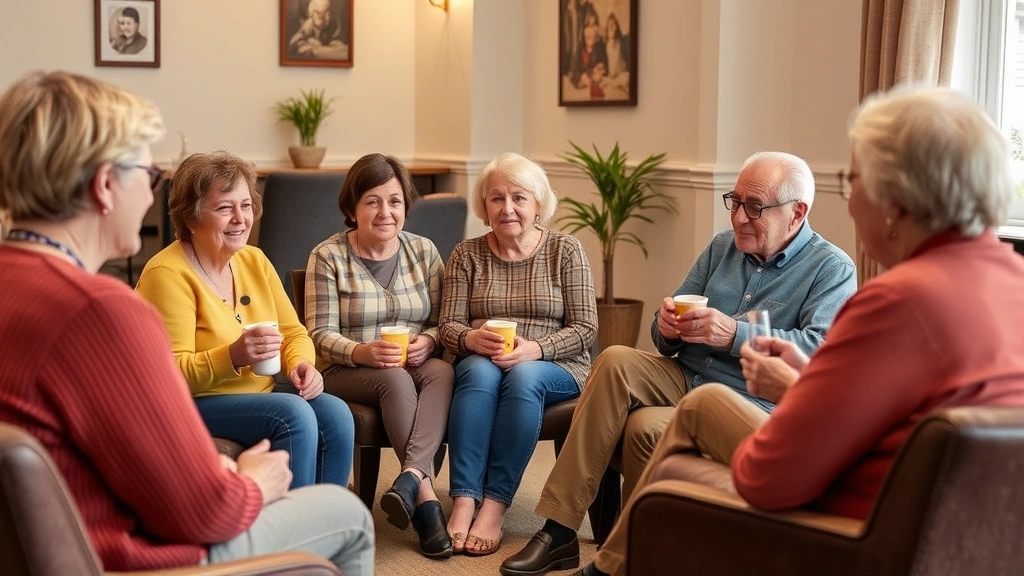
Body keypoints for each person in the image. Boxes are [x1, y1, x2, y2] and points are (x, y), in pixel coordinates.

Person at [566, 85, 1024, 576]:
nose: (850, 202)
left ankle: (613, 566)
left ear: (895, 198)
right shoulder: (1011, 283)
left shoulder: (897, 301)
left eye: (853, 181)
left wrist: (785, 386)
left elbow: (772, 477)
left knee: (691, 432)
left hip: (850, 535)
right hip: (958, 540)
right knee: (676, 397)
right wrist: (806, 383)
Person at [0, 70, 373, 574]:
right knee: (348, 515)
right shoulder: (101, 310)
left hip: (65, 539)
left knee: (327, 419)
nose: (149, 193)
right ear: (105, 185)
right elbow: (204, 511)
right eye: (148, 174)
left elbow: (123, 441)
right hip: (134, 553)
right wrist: (250, 482)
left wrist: (208, 466)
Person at [501, 150, 857, 576]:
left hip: (745, 401)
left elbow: (817, 351)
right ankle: (560, 529)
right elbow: (662, 330)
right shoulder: (722, 247)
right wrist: (667, 326)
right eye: (735, 201)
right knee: (614, 359)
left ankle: (638, 555)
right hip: (685, 374)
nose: (738, 217)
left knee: (643, 427)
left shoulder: (831, 268)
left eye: (754, 207)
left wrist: (734, 334)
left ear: (797, 212)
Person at [135, 151, 355, 490]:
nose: (240, 219)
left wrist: (301, 364)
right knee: (293, 414)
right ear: (191, 217)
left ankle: (327, 519)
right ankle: (291, 521)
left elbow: (293, 332)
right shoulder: (167, 274)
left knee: (335, 414)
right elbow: (168, 374)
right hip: (189, 403)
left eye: (246, 205)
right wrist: (233, 357)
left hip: (259, 395)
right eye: (225, 208)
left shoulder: (254, 260)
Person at [439, 152, 598, 557]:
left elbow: (586, 328)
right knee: (478, 373)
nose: (507, 208)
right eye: (497, 198)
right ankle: (464, 499)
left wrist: (537, 349)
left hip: (557, 363)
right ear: (484, 206)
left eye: (519, 198)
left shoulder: (566, 250)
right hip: (485, 359)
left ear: (538, 204)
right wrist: (471, 339)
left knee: (525, 377)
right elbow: (447, 326)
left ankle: (494, 504)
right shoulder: (466, 254)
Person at [306, 153, 456, 558]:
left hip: (415, 361)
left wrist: (429, 340)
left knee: (443, 372)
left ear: (406, 205)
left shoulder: (424, 251)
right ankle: (426, 501)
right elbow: (318, 333)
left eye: (394, 201)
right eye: (372, 201)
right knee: (394, 378)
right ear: (352, 207)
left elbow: (444, 321)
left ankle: (408, 478)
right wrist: (363, 351)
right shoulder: (328, 256)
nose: (385, 212)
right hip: (345, 368)